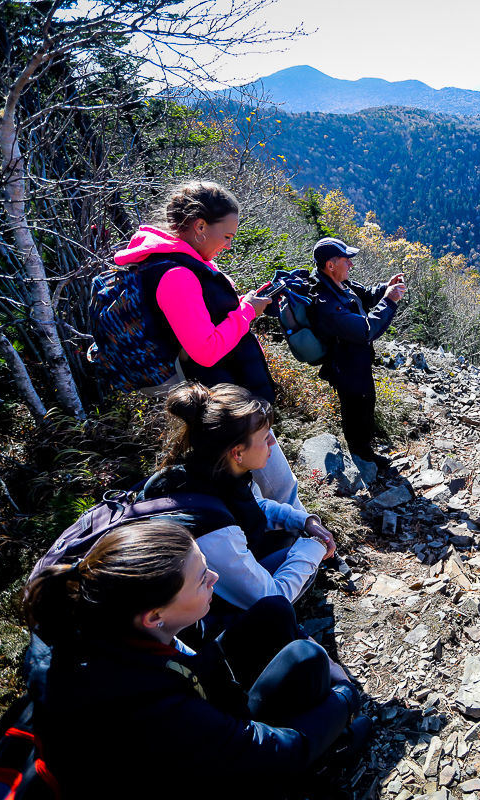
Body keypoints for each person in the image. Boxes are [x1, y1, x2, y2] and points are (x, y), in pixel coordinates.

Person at [25, 521, 368, 797]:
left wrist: (291, 631)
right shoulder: (149, 707)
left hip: (169, 741)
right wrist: (345, 695)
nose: (214, 578)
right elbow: (276, 752)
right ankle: (320, 766)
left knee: (274, 612)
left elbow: (202, 638)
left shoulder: (100, 620)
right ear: (155, 616)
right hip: (179, 777)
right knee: (307, 660)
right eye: (203, 578)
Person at [114, 181, 303, 510]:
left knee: (248, 486)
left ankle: (279, 528)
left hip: (223, 394)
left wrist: (244, 305)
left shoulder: (182, 263)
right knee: (273, 485)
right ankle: (300, 531)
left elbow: (207, 322)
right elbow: (205, 349)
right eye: (227, 236)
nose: (228, 245)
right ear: (200, 227)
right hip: (221, 401)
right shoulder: (176, 274)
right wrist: (246, 312)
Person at [138, 382, 335, 613]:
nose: (272, 442)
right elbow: (273, 598)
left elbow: (253, 506)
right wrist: (315, 547)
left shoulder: (199, 471)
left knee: (292, 533)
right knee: (296, 558)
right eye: (265, 437)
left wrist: (303, 520)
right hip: (198, 615)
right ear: (237, 453)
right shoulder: (214, 531)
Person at [307, 237, 405, 470]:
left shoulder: (339, 283)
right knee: (355, 409)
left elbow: (366, 295)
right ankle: (363, 460)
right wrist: (390, 301)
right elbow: (366, 330)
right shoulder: (325, 301)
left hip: (357, 359)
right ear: (330, 265)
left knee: (366, 402)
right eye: (346, 260)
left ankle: (366, 452)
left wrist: (385, 287)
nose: (351, 264)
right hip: (345, 365)